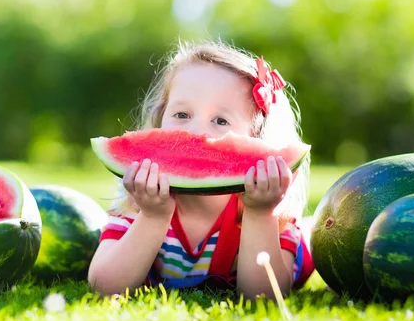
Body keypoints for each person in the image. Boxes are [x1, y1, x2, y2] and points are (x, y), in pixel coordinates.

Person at [87, 40, 314, 300]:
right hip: (151, 211)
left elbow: (263, 297)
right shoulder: (136, 205)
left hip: (294, 248)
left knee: (316, 235)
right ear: (159, 119)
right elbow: (103, 288)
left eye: (220, 120)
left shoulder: (269, 211)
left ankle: (312, 228)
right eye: (182, 115)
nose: (196, 132)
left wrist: (260, 213)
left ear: (257, 138)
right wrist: (153, 217)